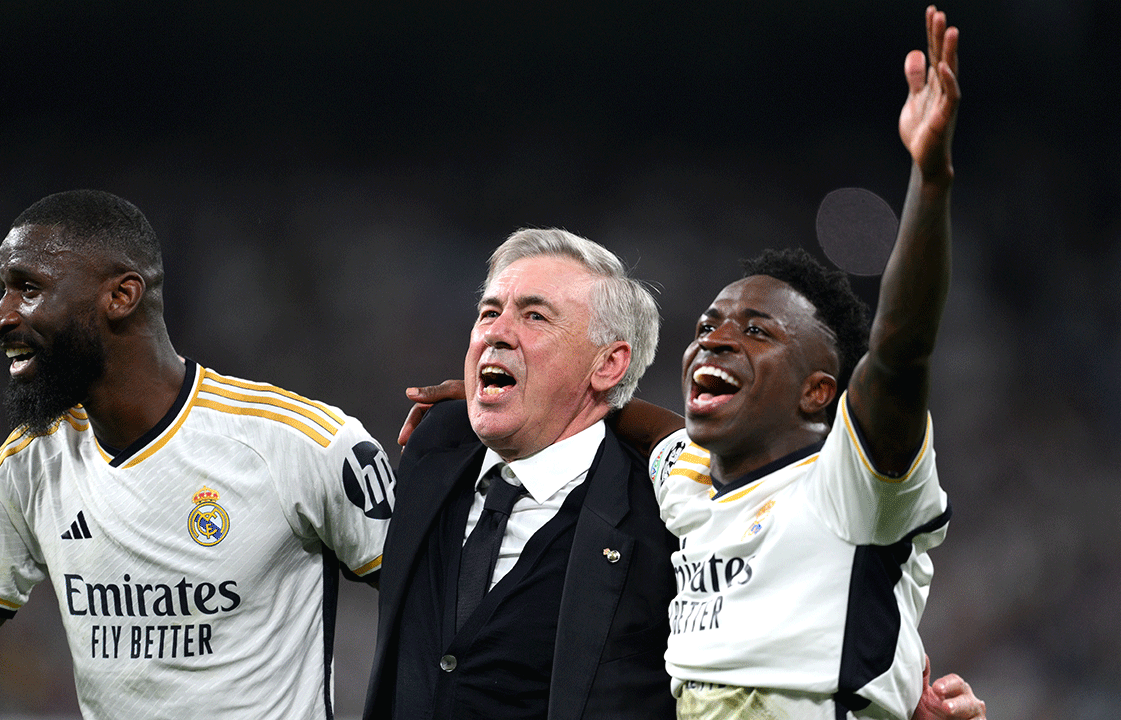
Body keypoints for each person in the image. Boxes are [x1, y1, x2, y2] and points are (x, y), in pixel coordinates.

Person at [0, 190, 395, 720]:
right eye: (4, 291)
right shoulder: (27, 464)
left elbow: (443, 612)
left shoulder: (303, 443)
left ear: (121, 296)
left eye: (27, 289)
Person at [645, 6, 968, 718]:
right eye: (708, 324)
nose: (715, 339)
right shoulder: (688, 474)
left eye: (757, 332)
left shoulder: (848, 488)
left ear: (820, 392)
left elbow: (899, 354)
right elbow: (641, 429)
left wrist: (929, 183)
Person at [363, 228, 681, 719]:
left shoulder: (658, 516)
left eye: (535, 316)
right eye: (490, 312)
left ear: (609, 363)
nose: (496, 331)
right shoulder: (434, 446)